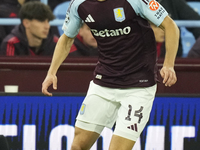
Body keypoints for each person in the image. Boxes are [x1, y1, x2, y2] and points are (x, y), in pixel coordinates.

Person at [42, 0, 179, 149]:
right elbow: (67, 38)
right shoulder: (78, 4)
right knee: (77, 146)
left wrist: (169, 65)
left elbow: (170, 25)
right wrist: (51, 72)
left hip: (139, 85)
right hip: (103, 82)